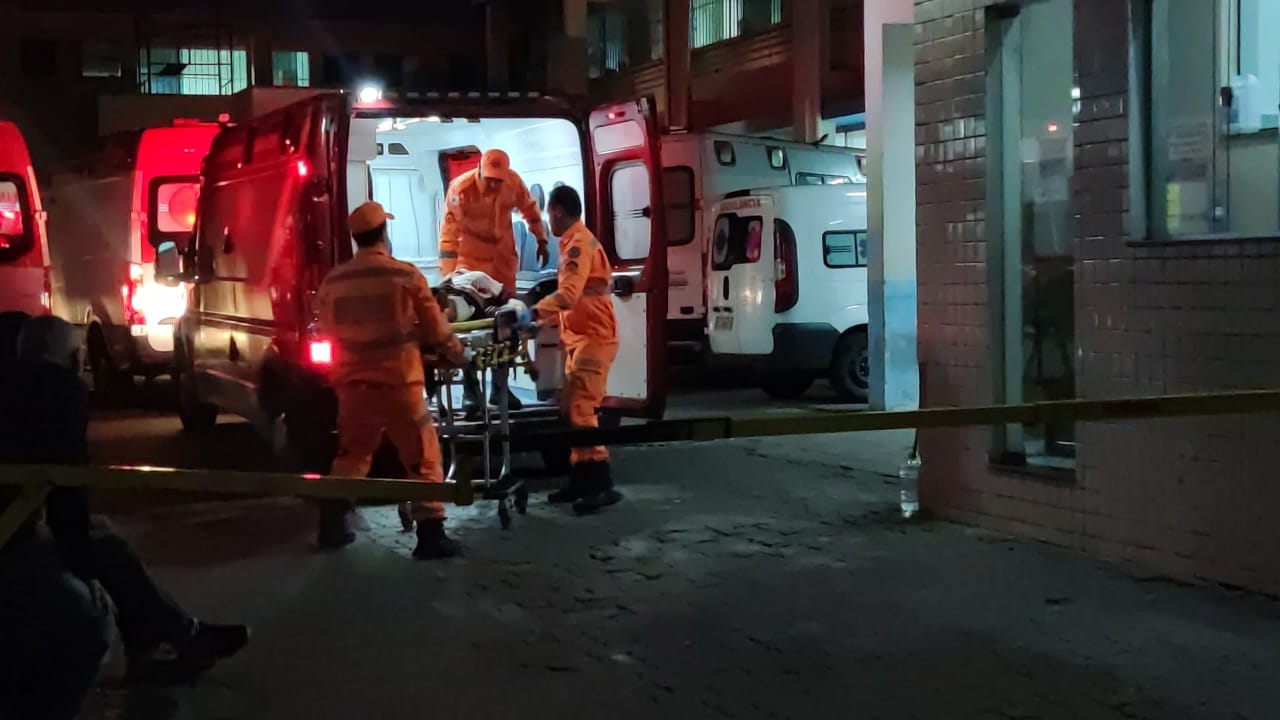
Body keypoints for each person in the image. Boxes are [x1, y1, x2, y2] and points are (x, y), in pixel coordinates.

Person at [0, 316, 248, 718]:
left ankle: (167, 641)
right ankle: (176, 639)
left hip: (17, 523)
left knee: (106, 545)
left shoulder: (13, 388)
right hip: (13, 536)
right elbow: (67, 479)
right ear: (70, 357)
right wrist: (78, 551)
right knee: (89, 604)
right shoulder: (55, 390)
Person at [316, 201, 466, 559]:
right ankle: (430, 535)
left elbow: (325, 329)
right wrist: (458, 353)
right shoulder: (405, 276)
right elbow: (436, 329)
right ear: (384, 232)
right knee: (422, 457)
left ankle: (331, 524)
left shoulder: (335, 282)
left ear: (356, 238)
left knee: (353, 455)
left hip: (354, 387)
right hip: (399, 384)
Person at [521, 186, 622, 514]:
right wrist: (542, 322)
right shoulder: (574, 241)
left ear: (557, 211)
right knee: (573, 411)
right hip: (582, 338)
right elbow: (573, 300)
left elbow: (568, 295)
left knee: (582, 410)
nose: (548, 221)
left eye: (548, 214)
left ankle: (601, 484)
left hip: (594, 338)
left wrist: (533, 313)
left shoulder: (578, 243)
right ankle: (581, 479)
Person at [439, 148, 548, 417]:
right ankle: (471, 390)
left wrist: (541, 238)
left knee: (507, 325)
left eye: (498, 180)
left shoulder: (513, 182)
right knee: (468, 330)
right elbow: (448, 236)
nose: (494, 185)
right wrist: (449, 279)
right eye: (490, 179)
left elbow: (530, 209)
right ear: (479, 171)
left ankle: (501, 388)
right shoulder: (461, 189)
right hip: (469, 267)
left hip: (502, 264)